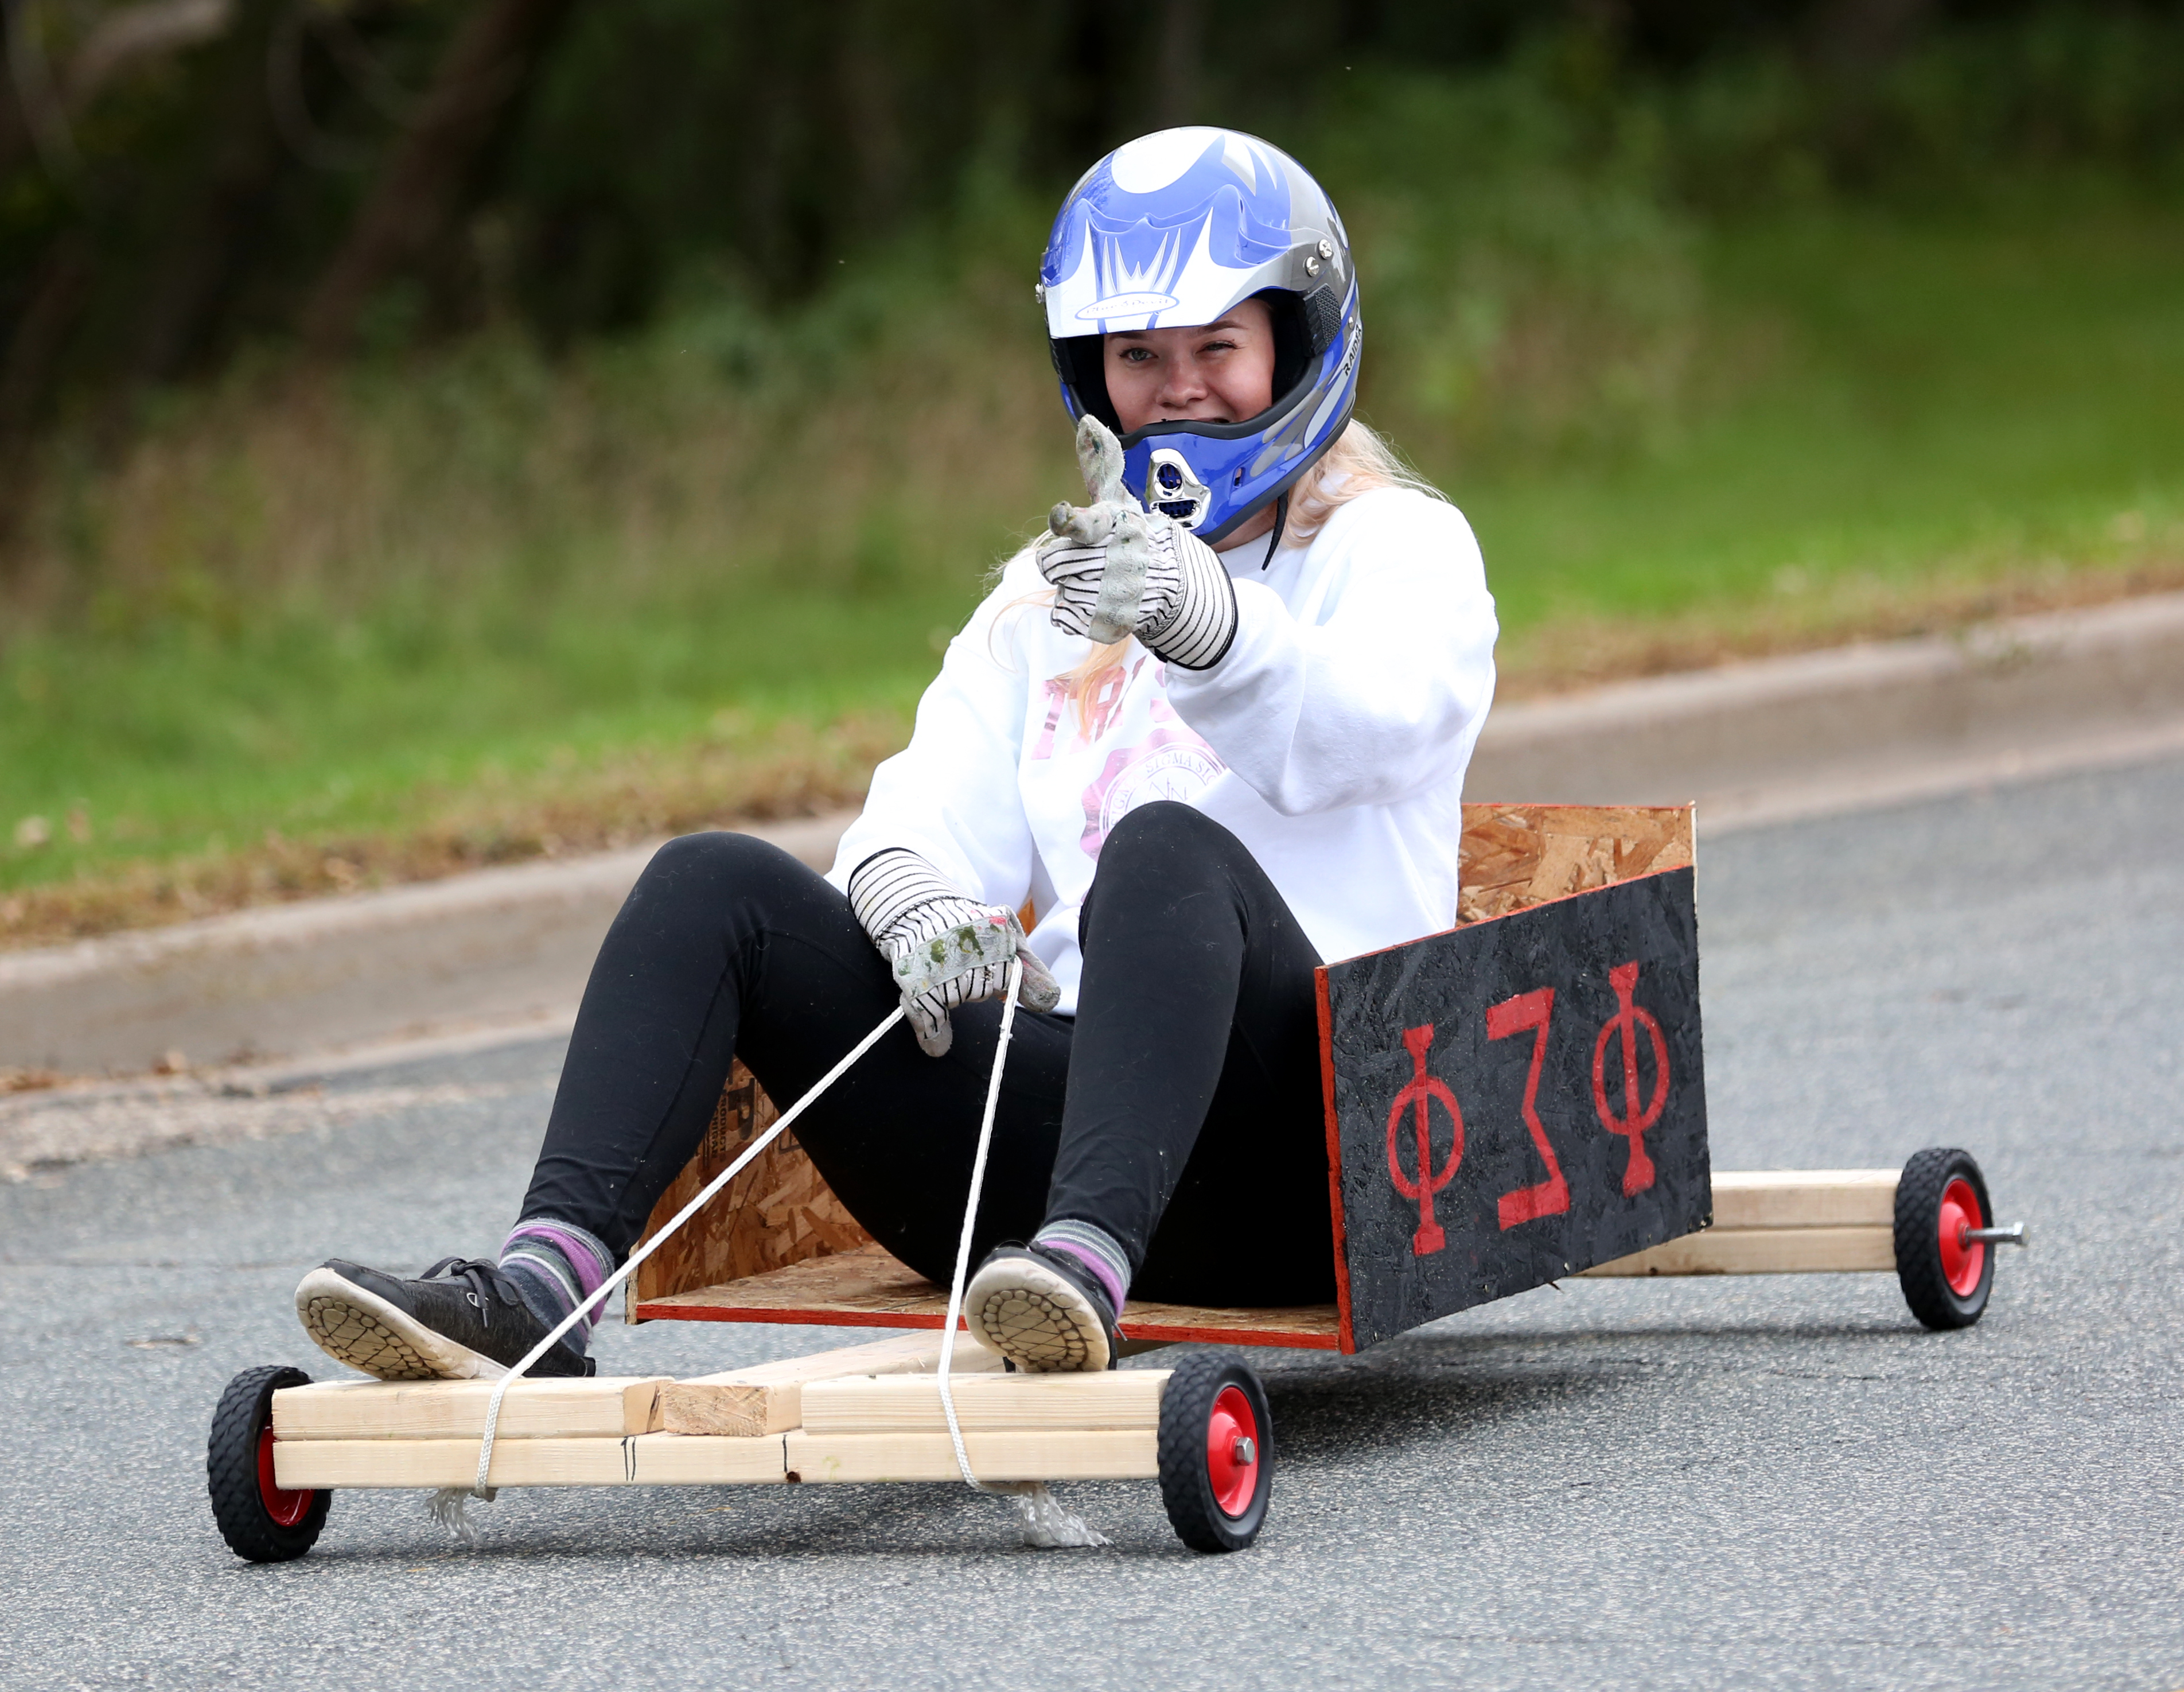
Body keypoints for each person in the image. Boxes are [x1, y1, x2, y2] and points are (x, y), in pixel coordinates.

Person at [293, 126, 1498, 1380]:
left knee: (1164, 850)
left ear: (1296, 345)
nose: (1177, 387)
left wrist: (1204, 619)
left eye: (1217, 348)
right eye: (1139, 355)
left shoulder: (1393, 548)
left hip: (1314, 1167)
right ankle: (541, 1288)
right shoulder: (1054, 595)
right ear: (1090, 370)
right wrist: (914, 896)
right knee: (713, 885)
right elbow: (912, 810)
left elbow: (1373, 726)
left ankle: (1085, 1267)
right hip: (1054, 1166)